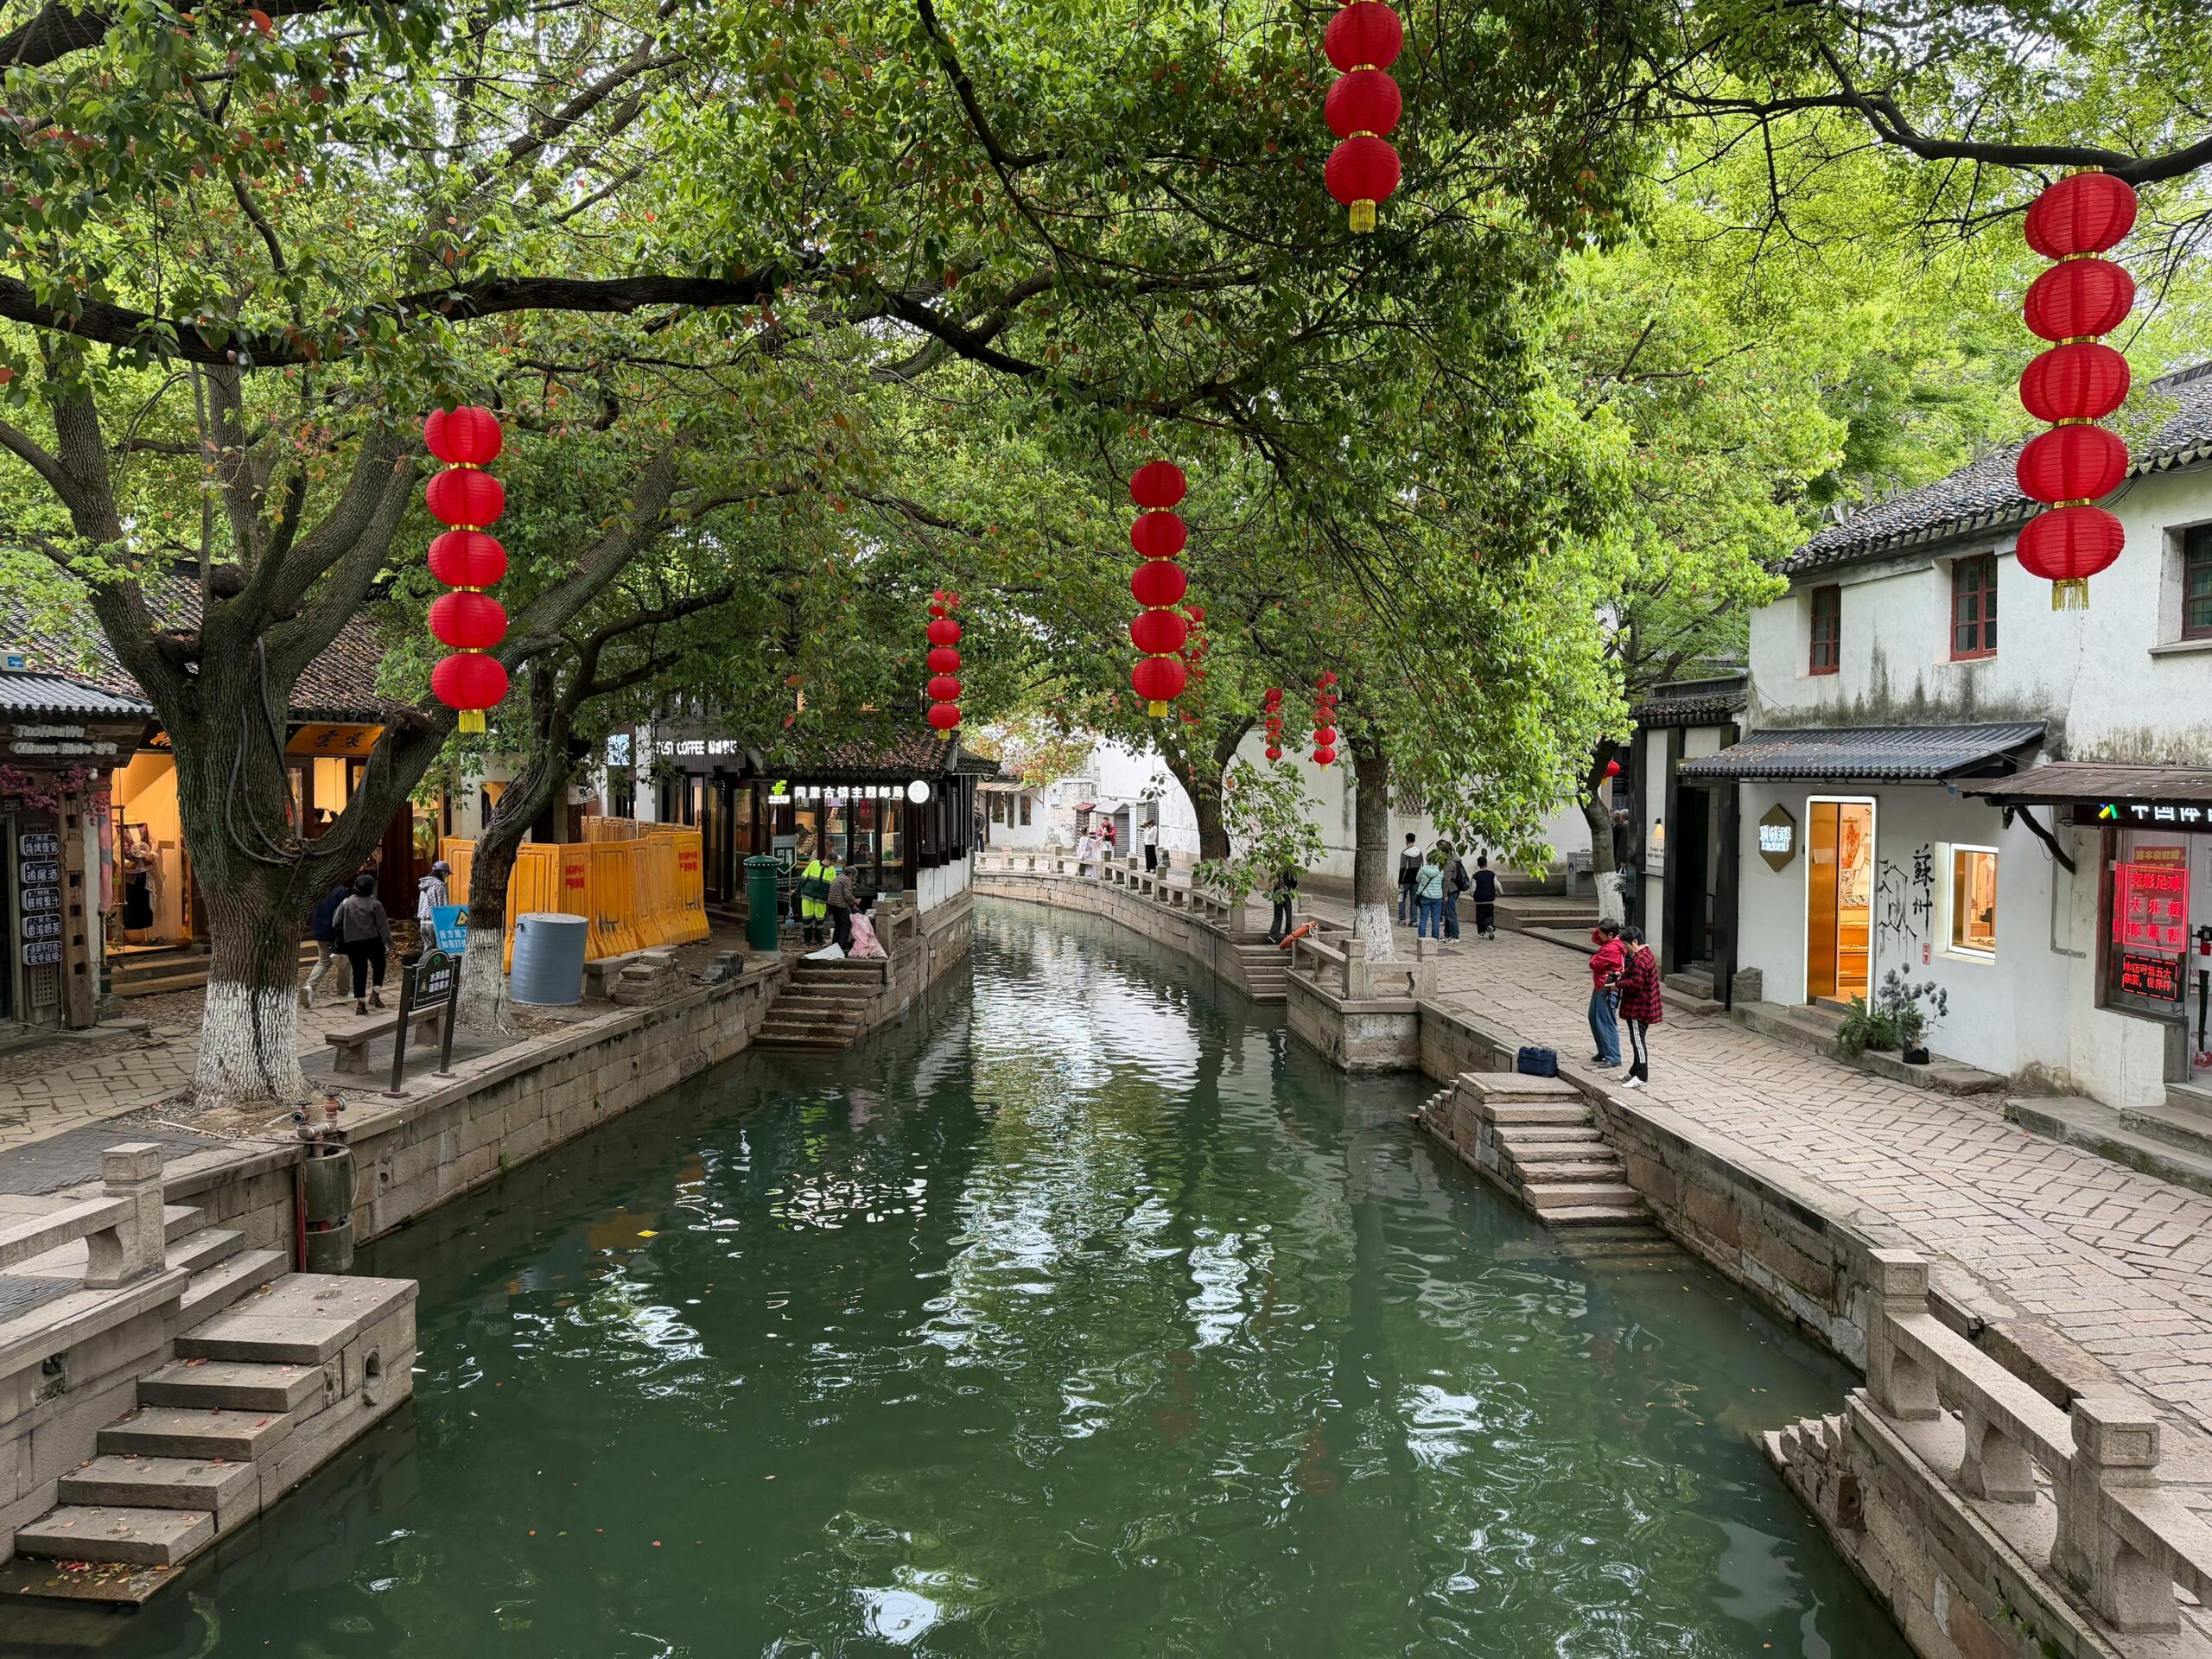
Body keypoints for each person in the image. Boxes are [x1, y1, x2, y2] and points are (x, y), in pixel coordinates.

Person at [336, 872, 395, 1015]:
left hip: (353, 941)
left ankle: (360, 1003)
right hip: (373, 940)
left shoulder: (346, 903)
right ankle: (375, 993)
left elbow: (335, 921)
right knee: (379, 965)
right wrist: (389, 943)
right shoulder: (375, 904)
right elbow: (383, 926)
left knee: (359, 971)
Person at [1616, 924, 1662, 1090]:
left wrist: (1618, 984)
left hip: (1639, 1009)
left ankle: (1641, 1076)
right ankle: (1634, 1070)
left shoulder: (1641, 959)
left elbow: (1636, 984)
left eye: (1627, 945)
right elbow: (1633, 972)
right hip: (1644, 1006)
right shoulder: (1644, 954)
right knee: (1636, 1039)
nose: (1626, 949)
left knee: (1638, 1041)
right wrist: (1621, 974)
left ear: (1634, 942)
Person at [300, 875, 352, 1008]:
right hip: (336, 934)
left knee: (323, 961)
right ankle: (343, 993)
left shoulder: (321, 891)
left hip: (320, 931)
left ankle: (309, 986)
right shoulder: (341, 892)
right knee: (344, 962)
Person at [1586, 918, 1625, 1070]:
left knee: (1605, 1021)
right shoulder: (1611, 942)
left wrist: (1594, 957)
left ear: (1609, 935)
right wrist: (1600, 928)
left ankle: (1613, 1056)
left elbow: (1594, 964)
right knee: (1594, 1017)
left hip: (1607, 986)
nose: (1599, 935)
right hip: (1600, 985)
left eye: (1602, 933)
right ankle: (1604, 1050)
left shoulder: (1611, 948)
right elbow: (1596, 937)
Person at [798, 855, 835, 945]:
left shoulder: (832, 869)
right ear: (827, 859)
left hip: (821, 899)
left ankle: (819, 940)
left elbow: (833, 886)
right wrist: (796, 890)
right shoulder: (814, 864)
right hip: (808, 896)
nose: (832, 865)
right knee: (807, 919)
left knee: (820, 920)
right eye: (832, 862)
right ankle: (807, 940)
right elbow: (803, 878)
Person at [1439, 841, 1469, 941]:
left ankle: (1454, 935)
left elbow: (1446, 879)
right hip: (1455, 888)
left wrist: (1445, 894)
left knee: (1451, 913)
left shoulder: (1449, 862)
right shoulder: (1456, 859)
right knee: (1448, 913)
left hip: (1451, 889)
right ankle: (1447, 934)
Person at [1414, 848, 1447, 939]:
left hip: (1425, 895)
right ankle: (1435, 937)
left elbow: (1417, 879)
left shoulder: (1423, 869)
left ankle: (1421, 936)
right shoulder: (1441, 870)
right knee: (1436, 919)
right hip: (1437, 897)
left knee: (1423, 918)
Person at [826, 866, 857, 953]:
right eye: (854, 876)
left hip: (831, 904)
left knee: (838, 925)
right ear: (850, 874)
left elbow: (842, 894)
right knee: (846, 924)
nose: (854, 878)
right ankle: (841, 947)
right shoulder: (847, 880)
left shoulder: (838, 877)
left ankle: (835, 945)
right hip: (840, 905)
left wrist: (852, 905)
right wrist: (855, 900)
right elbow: (847, 895)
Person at [847, 894, 887, 959]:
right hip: (865, 934)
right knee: (869, 941)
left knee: (863, 941)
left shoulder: (856, 919)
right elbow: (870, 932)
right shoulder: (862, 918)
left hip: (862, 934)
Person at [1268, 864, 1300, 943]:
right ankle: (1287, 935)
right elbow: (1295, 886)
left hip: (1276, 895)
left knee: (1278, 916)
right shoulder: (1291, 873)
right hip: (1285, 895)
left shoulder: (1279, 870)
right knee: (1288, 915)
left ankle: (1273, 935)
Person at [1471, 855, 1499, 940]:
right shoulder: (1492, 874)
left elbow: (1473, 888)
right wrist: (1500, 892)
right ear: (1486, 863)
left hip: (1479, 900)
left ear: (1478, 864)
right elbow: (1497, 885)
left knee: (1480, 916)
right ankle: (1489, 925)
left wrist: (1472, 894)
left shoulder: (1476, 875)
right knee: (1489, 914)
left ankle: (1481, 931)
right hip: (1489, 899)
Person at [1396, 831, 1422, 924]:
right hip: (1416, 880)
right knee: (1414, 901)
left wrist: (1400, 881)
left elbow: (1403, 868)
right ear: (1414, 841)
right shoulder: (1419, 853)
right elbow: (1421, 866)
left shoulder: (1405, 853)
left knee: (1401, 899)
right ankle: (1414, 920)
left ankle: (1402, 919)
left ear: (1406, 841)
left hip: (1406, 880)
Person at [416, 858, 451, 925]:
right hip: (434, 923)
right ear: (443, 872)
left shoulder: (425, 883)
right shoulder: (439, 885)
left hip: (423, 923)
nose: (447, 876)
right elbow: (443, 905)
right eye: (447, 873)